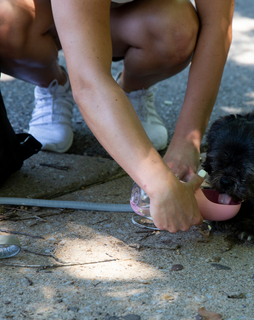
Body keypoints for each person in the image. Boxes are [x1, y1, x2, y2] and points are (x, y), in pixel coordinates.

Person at [0, 0, 235, 232]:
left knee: (175, 30)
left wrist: (187, 140)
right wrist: (157, 183)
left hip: (129, 17)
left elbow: (217, 26)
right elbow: (89, 83)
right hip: (48, 15)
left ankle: (130, 90)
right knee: (5, 22)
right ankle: (53, 84)